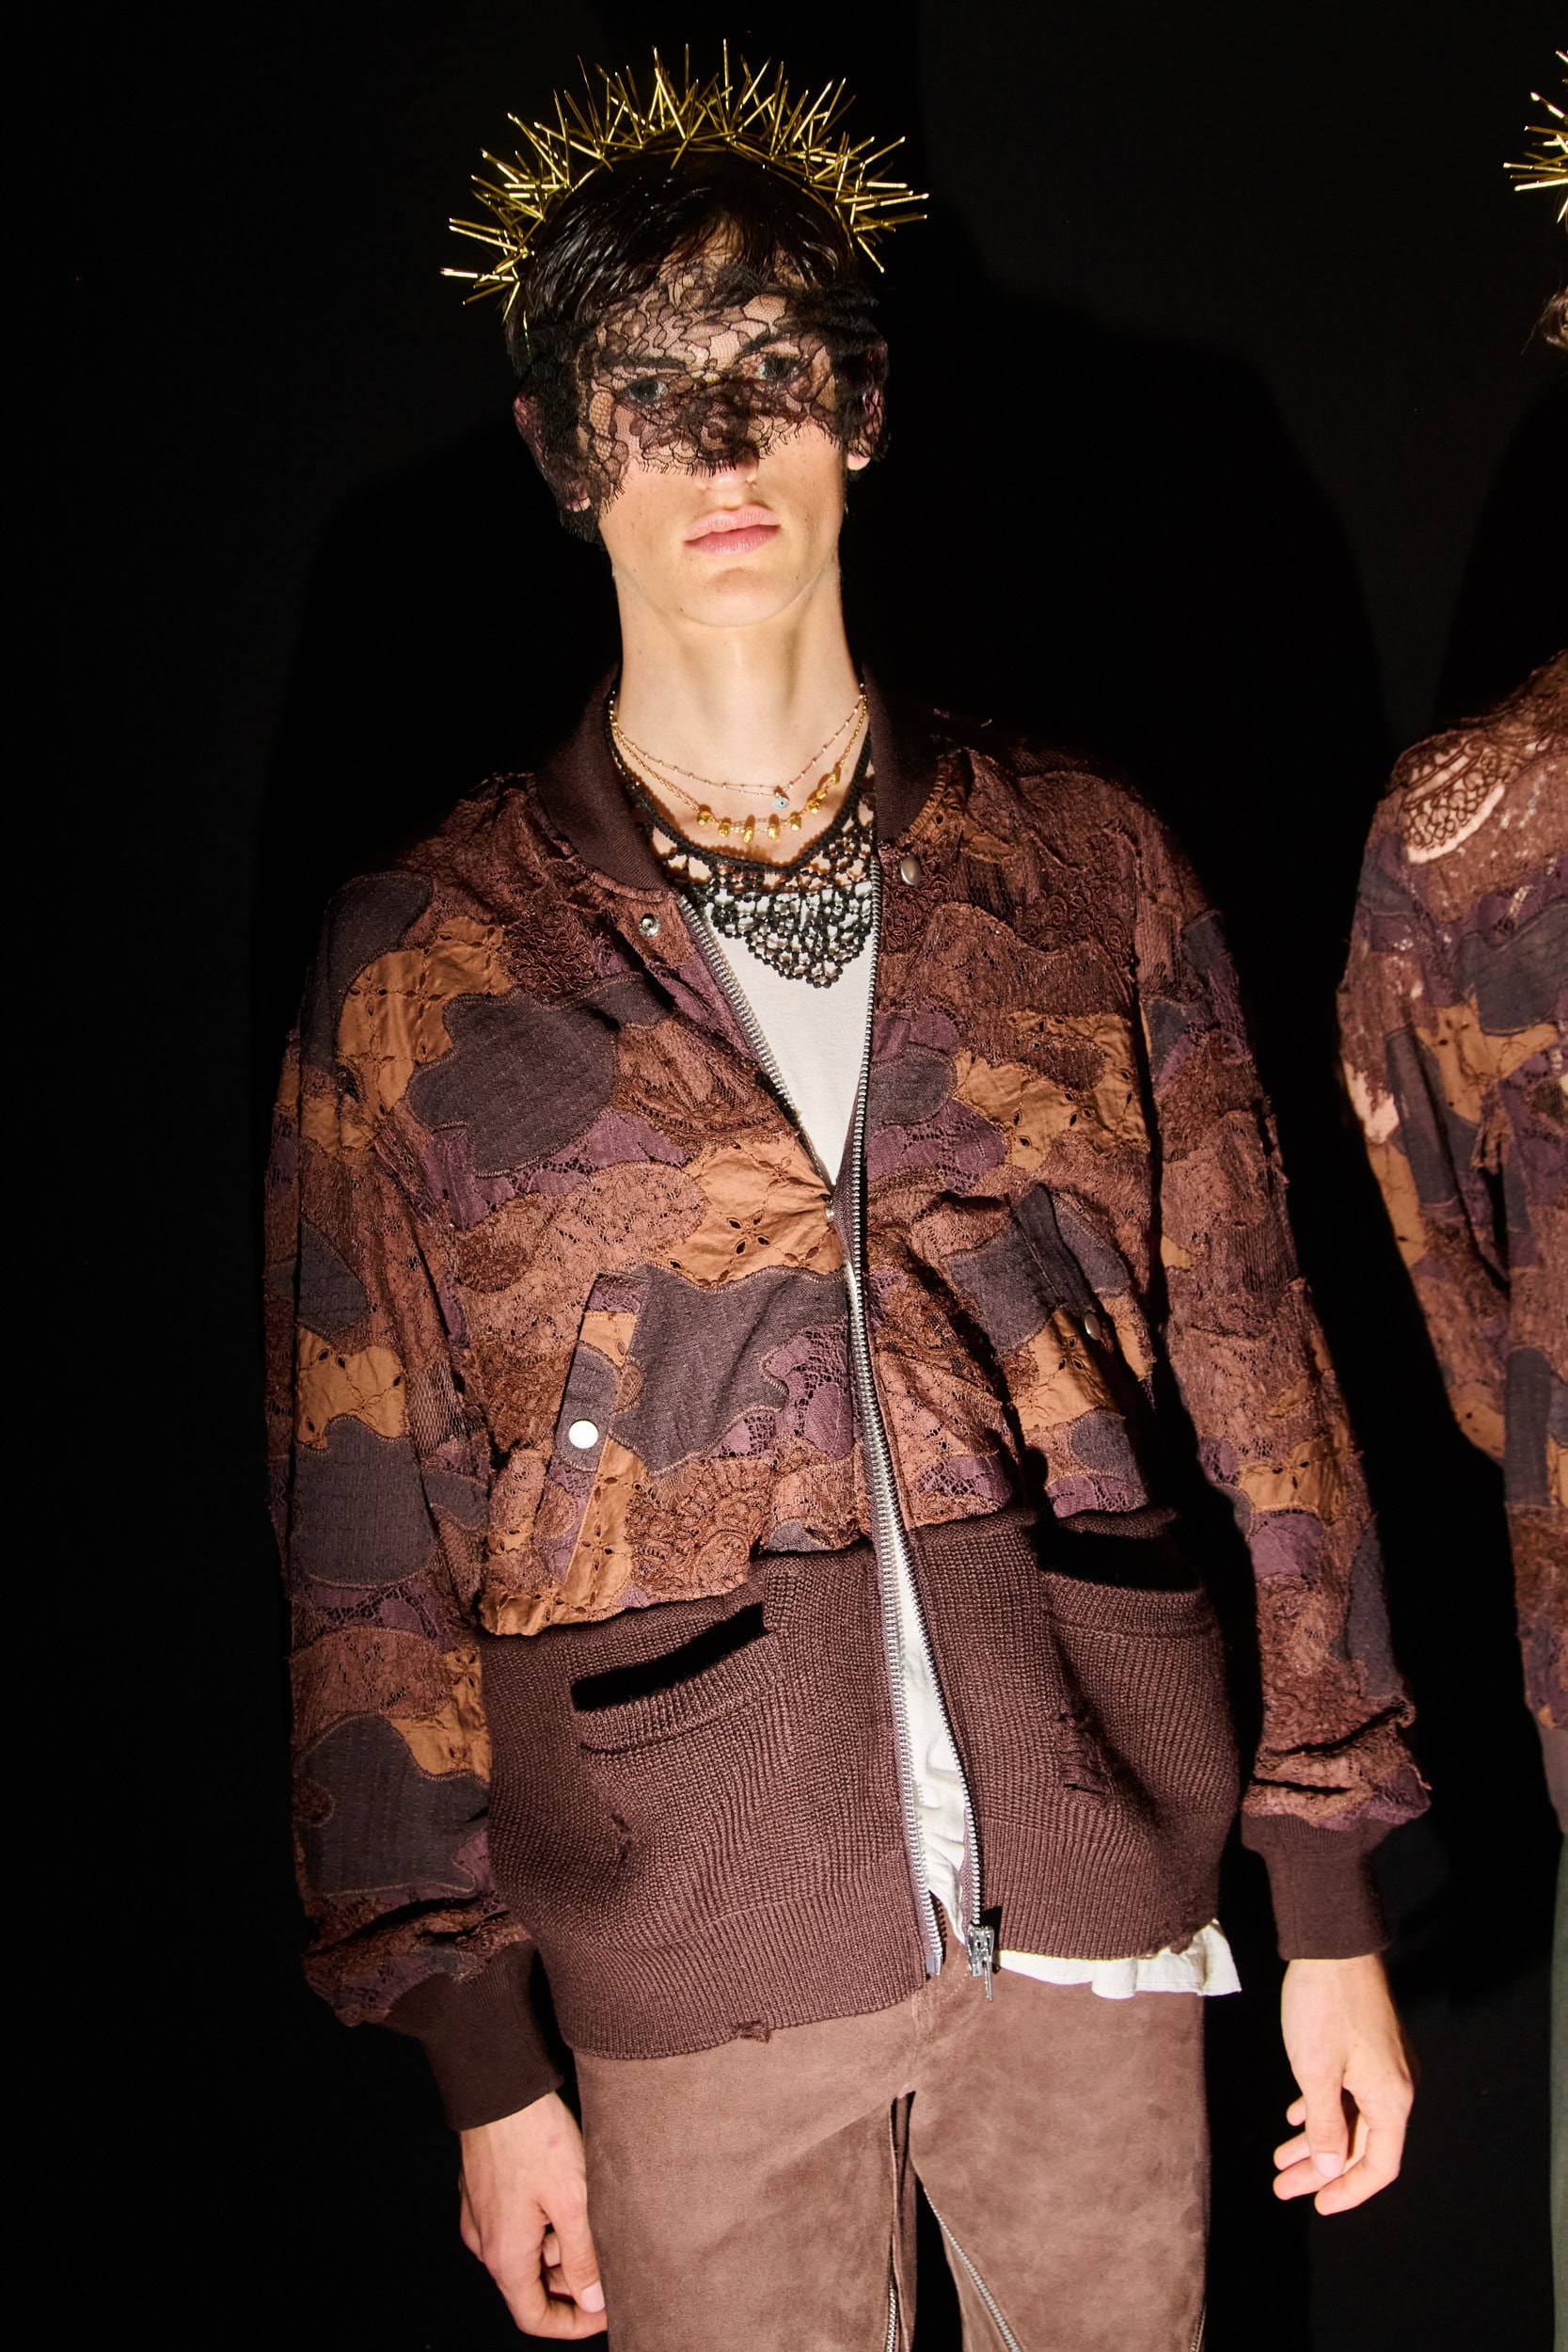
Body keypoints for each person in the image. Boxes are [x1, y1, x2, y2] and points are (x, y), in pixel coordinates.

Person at [266, 57, 1420, 2348]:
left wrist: (1330, 1889)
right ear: (558, 446)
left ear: (861, 407)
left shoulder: (1081, 864)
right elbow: (365, 1515)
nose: (718, 444)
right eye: (647, 385)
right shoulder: (428, 963)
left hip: (1097, 1884)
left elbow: (1263, 1372)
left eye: (770, 371)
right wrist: (473, 2040)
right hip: (686, 1943)